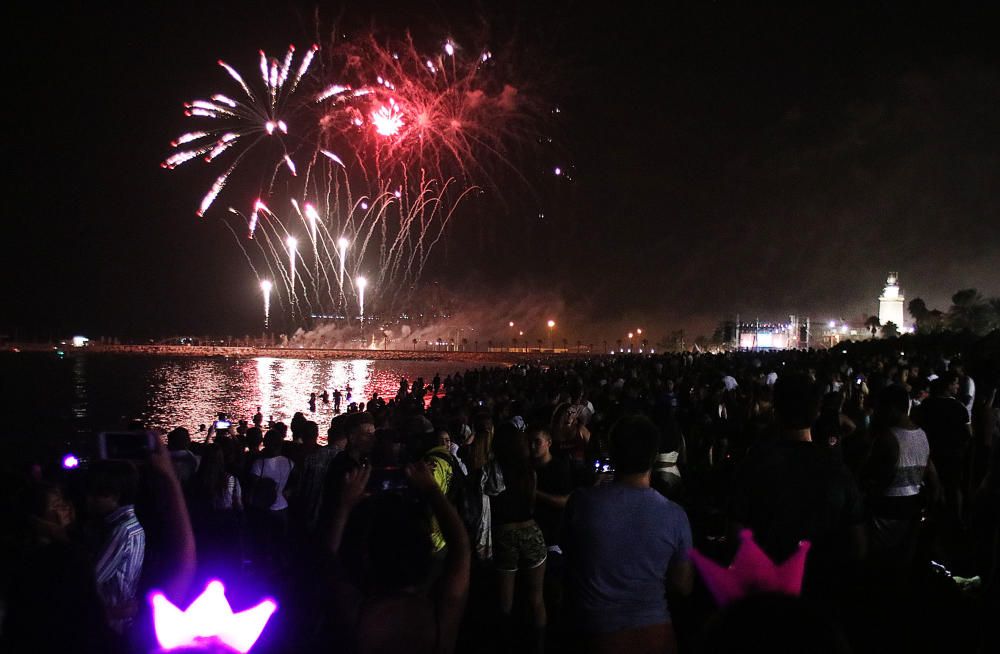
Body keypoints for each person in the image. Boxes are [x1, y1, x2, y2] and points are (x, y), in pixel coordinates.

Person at [563, 415, 693, 654]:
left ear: (612, 452)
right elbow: (683, 585)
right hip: (656, 635)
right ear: (654, 456)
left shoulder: (582, 503)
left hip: (597, 633)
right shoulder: (675, 515)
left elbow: (571, 557)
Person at [731, 373, 866, 601]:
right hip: (822, 590)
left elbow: (735, 533)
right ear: (815, 413)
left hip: (768, 591)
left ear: (776, 409)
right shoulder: (837, 470)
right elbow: (858, 544)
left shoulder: (753, 466)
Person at [325, 462, 470, 654]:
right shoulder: (438, 620)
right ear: (426, 555)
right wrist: (432, 490)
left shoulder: (359, 617)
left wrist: (344, 506)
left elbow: (326, 562)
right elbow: (461, 548)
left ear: (369, 556)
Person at [86, 460, 146, 635]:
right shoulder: (129, 524)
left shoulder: (121, 530)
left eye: (95, 494)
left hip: (112, 623)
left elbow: (91, 578)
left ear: (114, 495)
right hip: (119, 619)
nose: (88, 500)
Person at [247, 428, 295, 572]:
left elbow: (252, 487)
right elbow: (295, 482)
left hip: (264, 508)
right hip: (282, 507)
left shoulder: (258, 464)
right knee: (280, 543)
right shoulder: (289, 463)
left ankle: (262, 569)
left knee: (262, 542)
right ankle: (280, 569)